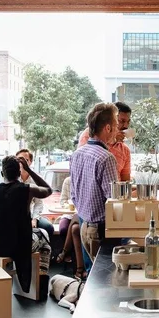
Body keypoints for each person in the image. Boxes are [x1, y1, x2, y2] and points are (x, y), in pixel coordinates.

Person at [0, 155, 53, 293]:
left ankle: (27, 282)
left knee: (38, 236)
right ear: (19, 173)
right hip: (20, 246)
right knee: (44, 237)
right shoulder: (27, 189)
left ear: (3, 173)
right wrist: (29, 170)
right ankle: (39, 282)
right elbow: (48, 190)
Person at [71, 103, 119, 263]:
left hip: (84, 224)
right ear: (107, 128)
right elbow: (115, 200)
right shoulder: (106, 157)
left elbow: (74, 194)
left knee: (93, 277)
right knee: (106, 281)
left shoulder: (77, 154)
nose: (118, 130)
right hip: (101, 230)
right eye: (116, 125)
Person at [78, 101, 132, 181]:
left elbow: (125, 181)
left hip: (117, 191)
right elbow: (85, 167)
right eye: (122, 121)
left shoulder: (124, 150)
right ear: (112, 119)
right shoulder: (89, 134)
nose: (126, 126)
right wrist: (111, 138)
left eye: (128, 122)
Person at [15, 148, 55, 237]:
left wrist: (34, 219)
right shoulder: (12, 177)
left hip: (31, 213)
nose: (21, 163)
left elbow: (39, 203)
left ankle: (43, 249)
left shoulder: (36, 179)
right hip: (15, 215)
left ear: (30, 162)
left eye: (25, 160)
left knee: (48, 227)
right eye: (19, 160)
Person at [54, 177, 85, 280]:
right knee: (64, 228)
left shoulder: (87, 181)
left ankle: (65, 252)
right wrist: (69, 204)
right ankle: (78, 268)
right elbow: (62, 201)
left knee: (75, 228)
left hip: (83, 214)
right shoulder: (68, 181)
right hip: (69, 214)